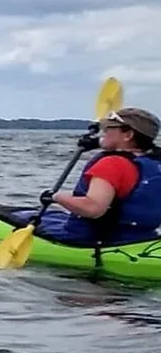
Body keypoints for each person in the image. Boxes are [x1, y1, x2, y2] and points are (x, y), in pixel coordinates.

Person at [28, 106, 161, 247]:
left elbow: (93, 208)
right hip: (142, 238)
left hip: (88, 240)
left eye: (109, 128)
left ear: (128, 135)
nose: (104, 132)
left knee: (20, 217)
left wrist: (55, 197)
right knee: (42, 215)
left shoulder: (112, 164)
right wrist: (95, 143)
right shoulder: (155, 162)